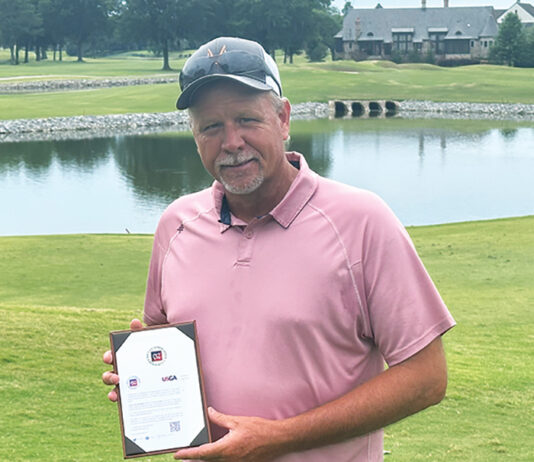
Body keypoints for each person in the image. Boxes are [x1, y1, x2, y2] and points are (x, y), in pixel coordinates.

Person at [103, 36, 455, 462]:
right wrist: (142, 381)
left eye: (247, 119)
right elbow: (165, 351)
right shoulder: (176, 225)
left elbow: (426, 378)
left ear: (283, 119)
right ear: (194, 135)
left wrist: (278, 437)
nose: (231, 142)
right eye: (211, 127)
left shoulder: (362, 221)